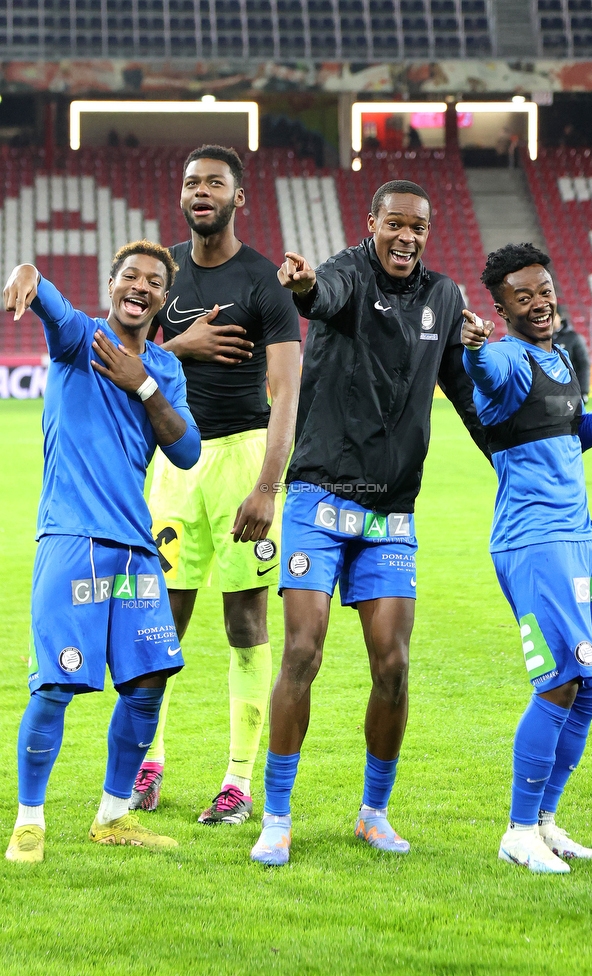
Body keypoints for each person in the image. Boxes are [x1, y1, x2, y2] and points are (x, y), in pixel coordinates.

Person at [250, 179, 491, 866]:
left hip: (391, 511)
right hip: (318, 499)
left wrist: (508, 458)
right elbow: (318, 297)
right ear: (372, 223)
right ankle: (276, 816)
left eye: (419, 226)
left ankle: (373, 814)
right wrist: (300, 287)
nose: (407, 236)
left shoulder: (445, 298)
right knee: (303, 652)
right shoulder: (347, 274)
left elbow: (462, 393)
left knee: (394, 666)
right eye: (395, 224)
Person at [3, 242, 201, 863]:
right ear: (111, 283)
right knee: (55, 686)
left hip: (136, 548)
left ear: (164, 297)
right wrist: (29, 273)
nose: (140, 287)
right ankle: (29, 820)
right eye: (130, 277)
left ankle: (113, 816)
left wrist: (144, 386)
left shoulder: (166, 370)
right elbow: (53, 309)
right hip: (71, 540)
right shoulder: (79, 340)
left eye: (153, 282)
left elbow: (188, 450)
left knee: (147, 684)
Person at [131, 145, 301, 825]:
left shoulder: (263, 281)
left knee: (244, 623)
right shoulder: (159, 276)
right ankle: (147, 764)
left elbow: (287, 389)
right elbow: (118, 359)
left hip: (242, 460)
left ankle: (237, 782)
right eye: (192, 183)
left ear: (239, 199)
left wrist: (266, 487)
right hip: (174, 465)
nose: (202, 192)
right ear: (181, 197)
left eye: (215, 183)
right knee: (158, 624)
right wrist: (181, 347)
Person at [461, 242, 592, 875]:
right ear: (501, 307)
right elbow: (488, 379)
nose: (539, 303)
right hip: (533, 543)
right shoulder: (503, 357)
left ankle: (545, 822)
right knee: (559, 681)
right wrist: (475, 350)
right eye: (522, 296)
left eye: (544, 289)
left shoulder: (560, 358)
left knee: (591, 686)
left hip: (580, 541)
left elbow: (565, 437)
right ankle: (516, 830)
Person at [553, 306, 591, 403]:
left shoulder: (573, 338)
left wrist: (583, 391)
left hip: (569, 392)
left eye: (553, 315)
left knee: (566, 417)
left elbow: (584, 365)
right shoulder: (541, 339)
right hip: (547, 391)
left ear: (560, 317)